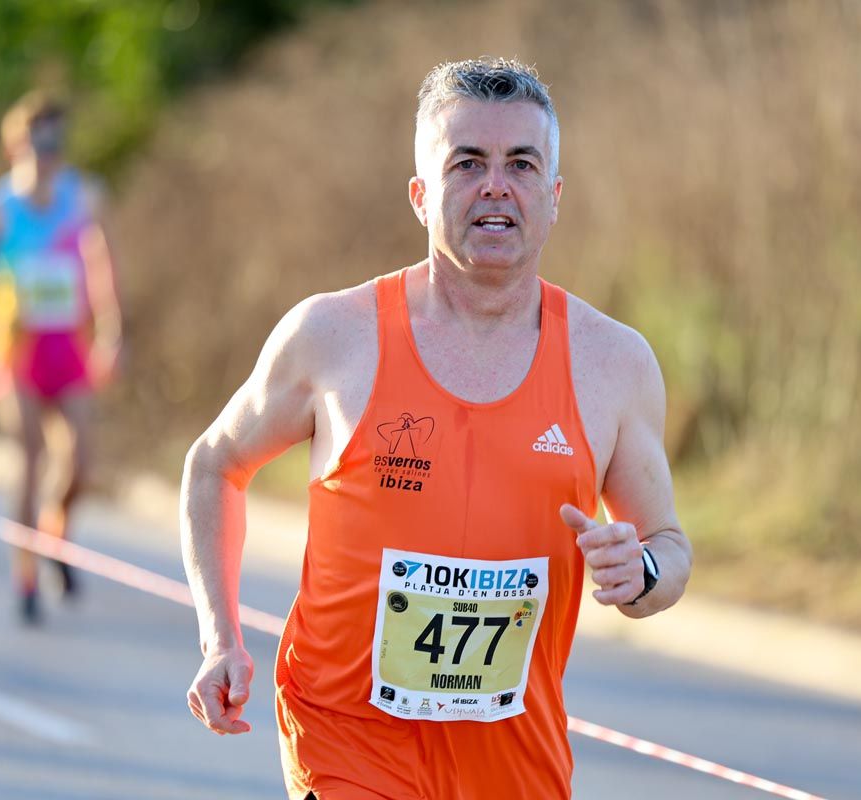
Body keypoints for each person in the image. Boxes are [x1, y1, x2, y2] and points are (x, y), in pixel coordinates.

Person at [181, 58, 692, 799]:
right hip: (345, 740)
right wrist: (220, 637)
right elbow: (215, 463)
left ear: (554, 198)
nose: (496, 185)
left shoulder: (613, 363)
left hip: (515, 760)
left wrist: (638, 572)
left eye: (521, 164)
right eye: (468, 163)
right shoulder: (334, 337)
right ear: (421, 197)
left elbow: (667, 549)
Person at [0, 90, 122, 625]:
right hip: (14, 350)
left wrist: (113, 330)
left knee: (83, 462)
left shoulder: (85, 196)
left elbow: (106, 266)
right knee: (30, 452)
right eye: (38, 140)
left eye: (57, 139)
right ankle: (26, 578)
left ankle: (54, 537)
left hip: (67, 347)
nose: (48, 151)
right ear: (16, 144)